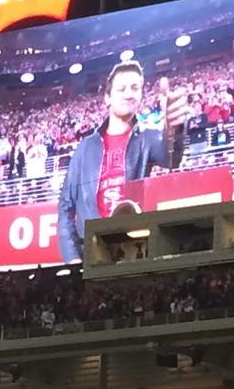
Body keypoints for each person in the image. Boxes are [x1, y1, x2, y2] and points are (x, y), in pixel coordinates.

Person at [57, 60, 188, 262]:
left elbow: (173, 159)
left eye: (135, 88)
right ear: (107, 98)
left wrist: (174, 130)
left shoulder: (148, 138)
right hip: (91, 253)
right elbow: (65, 207)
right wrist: (72, 259)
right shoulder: (84, 149)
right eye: (122, 89)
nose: (129, 94)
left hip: (132, 250)